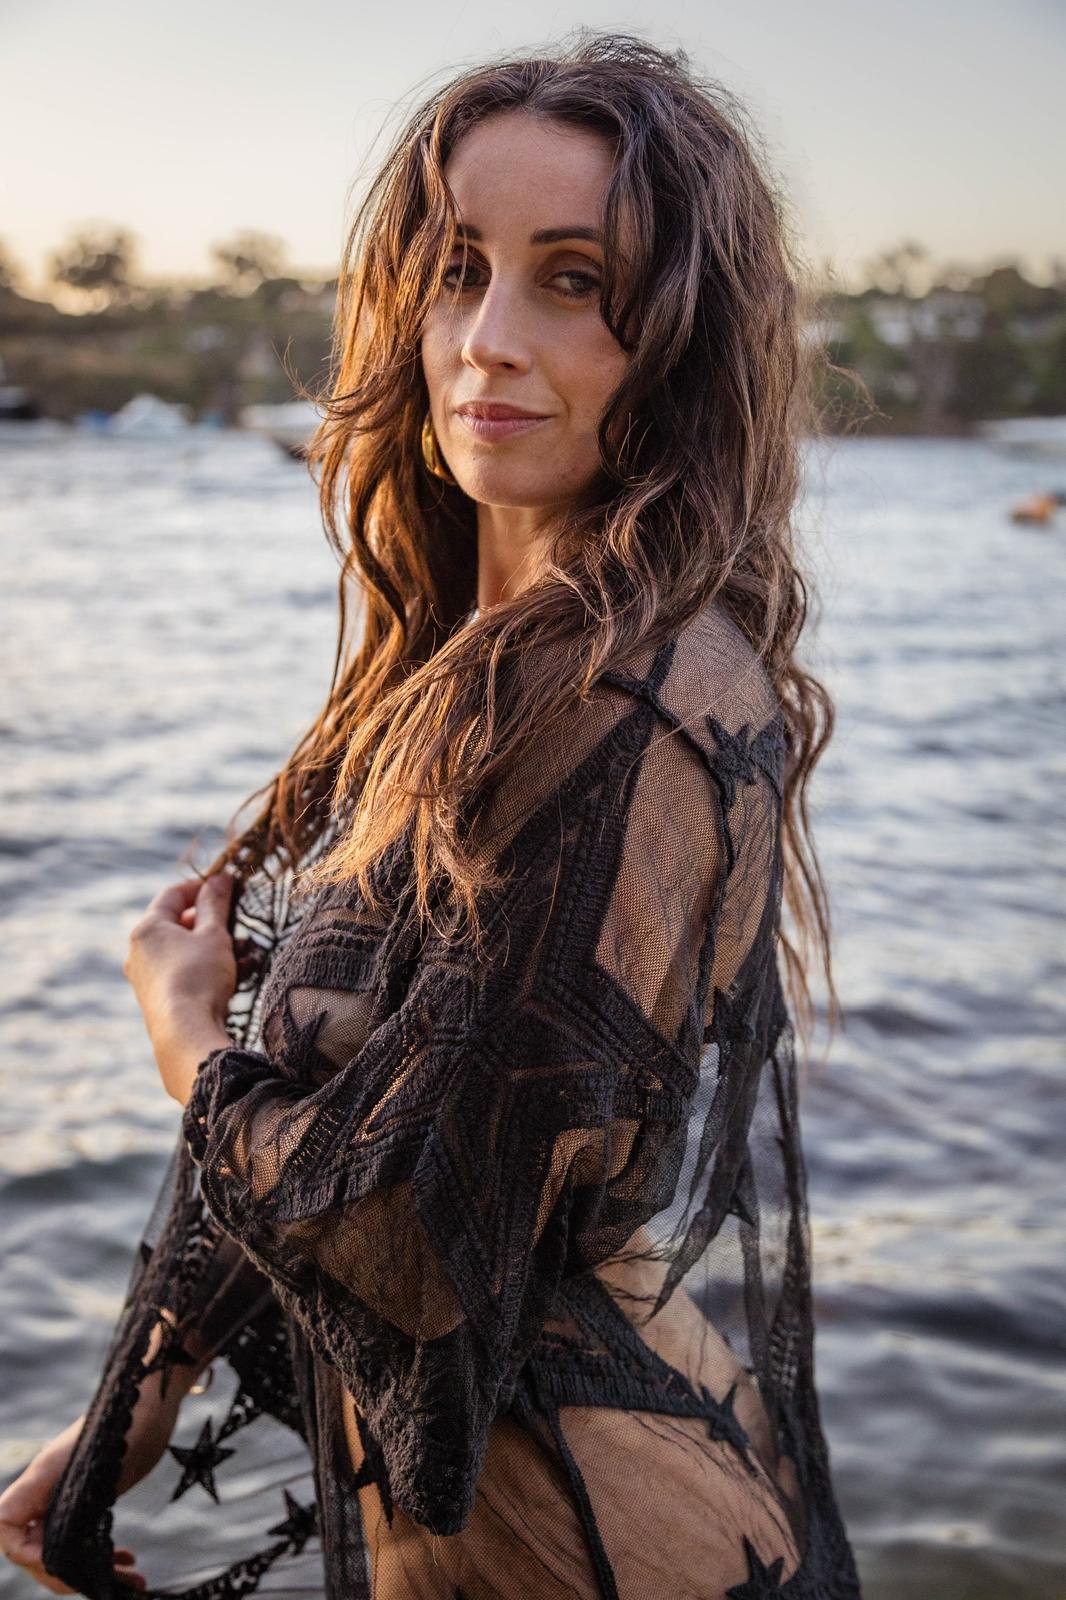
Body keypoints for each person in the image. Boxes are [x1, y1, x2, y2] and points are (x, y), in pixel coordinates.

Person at [0, 29, 864, 1600]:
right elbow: (385, 1092)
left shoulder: (628, 689)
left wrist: (184, 1038)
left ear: (677, 336)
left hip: (571, 1541)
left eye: (575, 281)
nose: (484, 340)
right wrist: (141, 1390)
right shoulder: (470, 660)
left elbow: (413, 1233)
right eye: (456, 269)